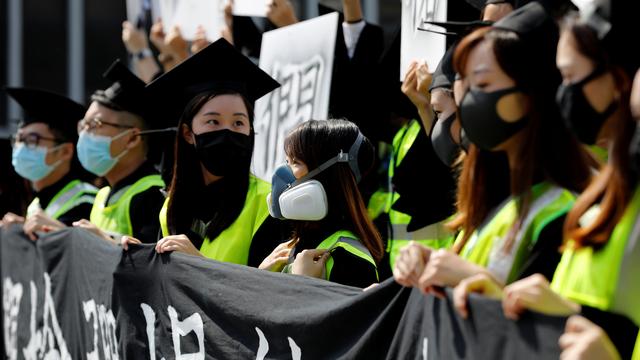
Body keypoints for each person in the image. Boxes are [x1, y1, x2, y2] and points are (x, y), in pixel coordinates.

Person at [452, 2, 640, 357]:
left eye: (569, 77)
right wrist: (505, 300)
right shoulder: (601, 201)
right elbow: (587, 319)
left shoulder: (568, 205)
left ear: (618, 80)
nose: (562, 95)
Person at [393, 3, 593, 293]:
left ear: (531, 95)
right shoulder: (491, 205)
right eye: (466, 84)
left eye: (483, 83)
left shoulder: (562, 215)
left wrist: (477, 284)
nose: (466, 103)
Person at [122, 39, 289, 268]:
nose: (227, 132)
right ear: (188, 133)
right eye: (213, 121)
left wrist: (199, 263)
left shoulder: (269, 204)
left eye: (239, 123)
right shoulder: (170, 207)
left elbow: (269, 295)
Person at [260, 119, 384, 288]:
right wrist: (260, 276)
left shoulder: (351, 259)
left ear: (329, 176)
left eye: (296, 162)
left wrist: (304, 286)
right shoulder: (289, 247)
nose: (283, 172)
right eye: (287, 161)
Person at [73, 60, 165, 243]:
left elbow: (149, 265)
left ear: (132, 138)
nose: (84, 134)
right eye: (83, 125)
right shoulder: (103, 194)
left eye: (94, 125)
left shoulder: (155, 195)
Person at [1, 87, 97, 240]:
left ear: (65, 151)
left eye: (32, 140)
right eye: (19, 139)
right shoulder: (37, 203)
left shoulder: (87, 201)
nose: (21, 147)